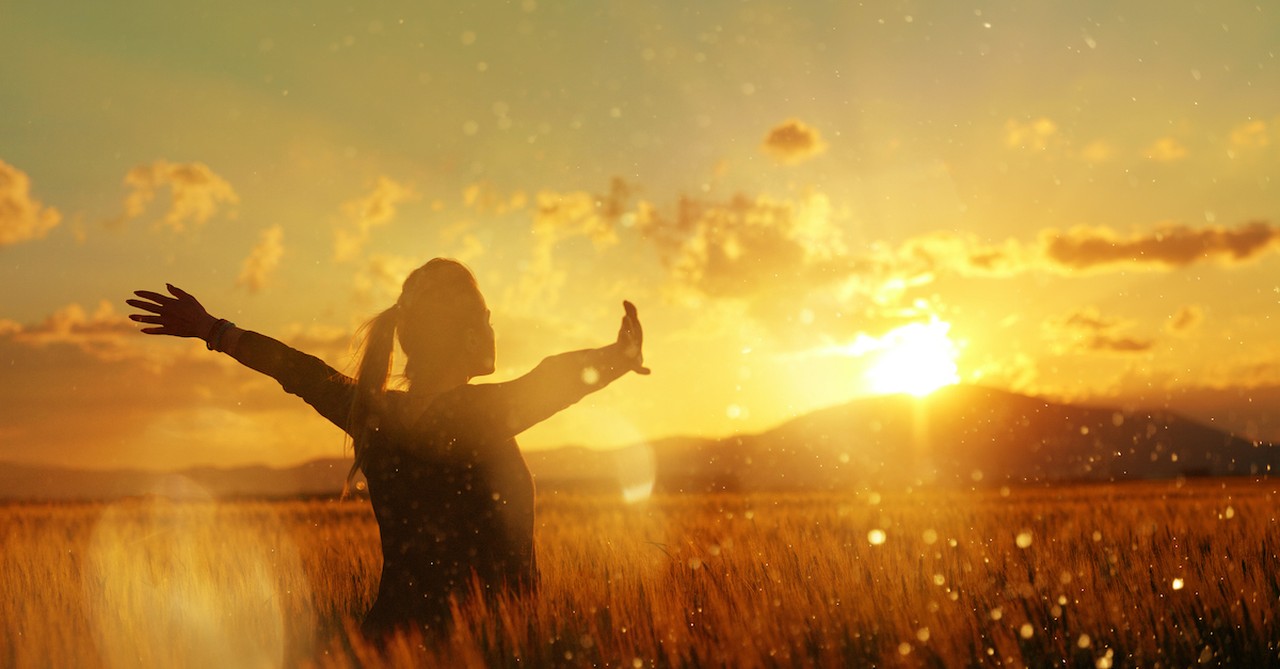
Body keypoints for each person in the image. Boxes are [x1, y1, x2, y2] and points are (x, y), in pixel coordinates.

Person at [126, 258, 649, 641]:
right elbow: (552, 378)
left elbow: (298, 370)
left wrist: (213, 329)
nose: (492, 328)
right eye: (484, 318)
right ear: (465, 334)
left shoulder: (372, 414)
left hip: (390, 642)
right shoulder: (476, 417)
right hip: (481, 647)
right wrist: (618, 356)